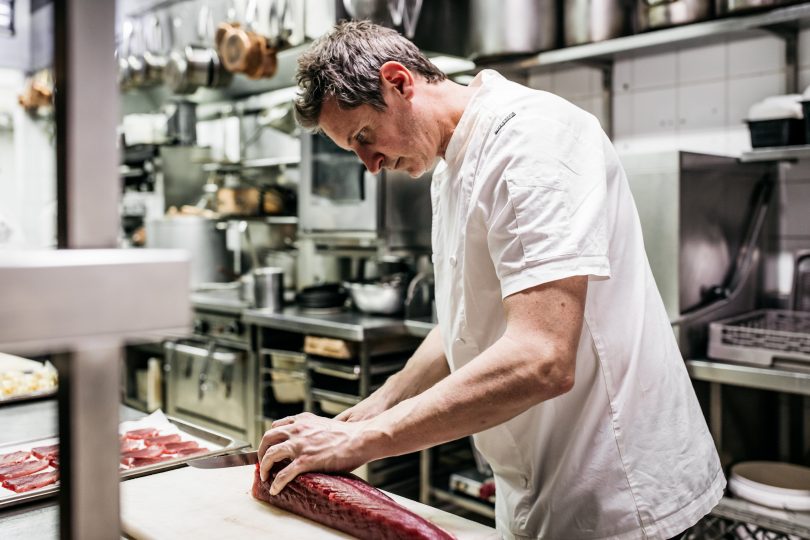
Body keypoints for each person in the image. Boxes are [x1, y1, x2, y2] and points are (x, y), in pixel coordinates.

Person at [258, 20, 724, 539]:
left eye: (364, 136)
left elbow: (541, 357)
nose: (369, 164)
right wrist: (372, 409)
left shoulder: (533, 138)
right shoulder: (449, 166)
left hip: (620, 494)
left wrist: (368, 442)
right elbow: (464, 323)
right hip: (536, 489)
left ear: (398, 82)